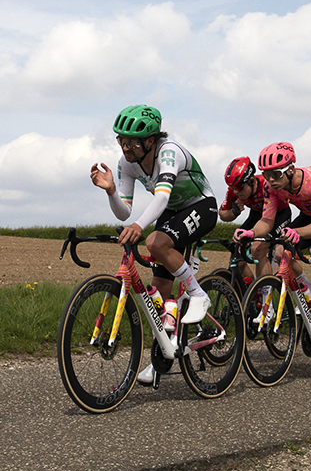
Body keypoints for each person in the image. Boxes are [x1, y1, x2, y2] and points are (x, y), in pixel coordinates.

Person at [90, 105, 218, 385]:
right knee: (159, 295)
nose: (125, 147)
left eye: (131, 142)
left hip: (201, 206)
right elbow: (124, 211)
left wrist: (138, 226)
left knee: (155, 242)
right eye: (121, 140)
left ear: (150, 141)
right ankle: (161, 361)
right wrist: (112, 191)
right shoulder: (127, 163)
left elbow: (160, 199)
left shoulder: (168, 152)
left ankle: (198, 294)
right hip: (172, 212)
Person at [238, 142, 311, 366]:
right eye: (266, 174)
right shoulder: (272, 187)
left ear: (291, 169)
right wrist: (251, 233)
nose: (270, 179)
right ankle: (307, 291)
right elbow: (267, 220)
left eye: (275, 174)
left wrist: (295, 231)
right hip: (310, 215)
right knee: (280, 250)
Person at [218, 156, 291, 289]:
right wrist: (233, 212)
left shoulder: (265, 184)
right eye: (232, 187)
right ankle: (252, 291)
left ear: (251, 180)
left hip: (280, 215)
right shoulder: (234, 191)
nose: (236, 191)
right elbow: (222, 214)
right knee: (236, 249)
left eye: (239, 187)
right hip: (257, 215)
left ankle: (266, 298)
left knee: (258, 249)